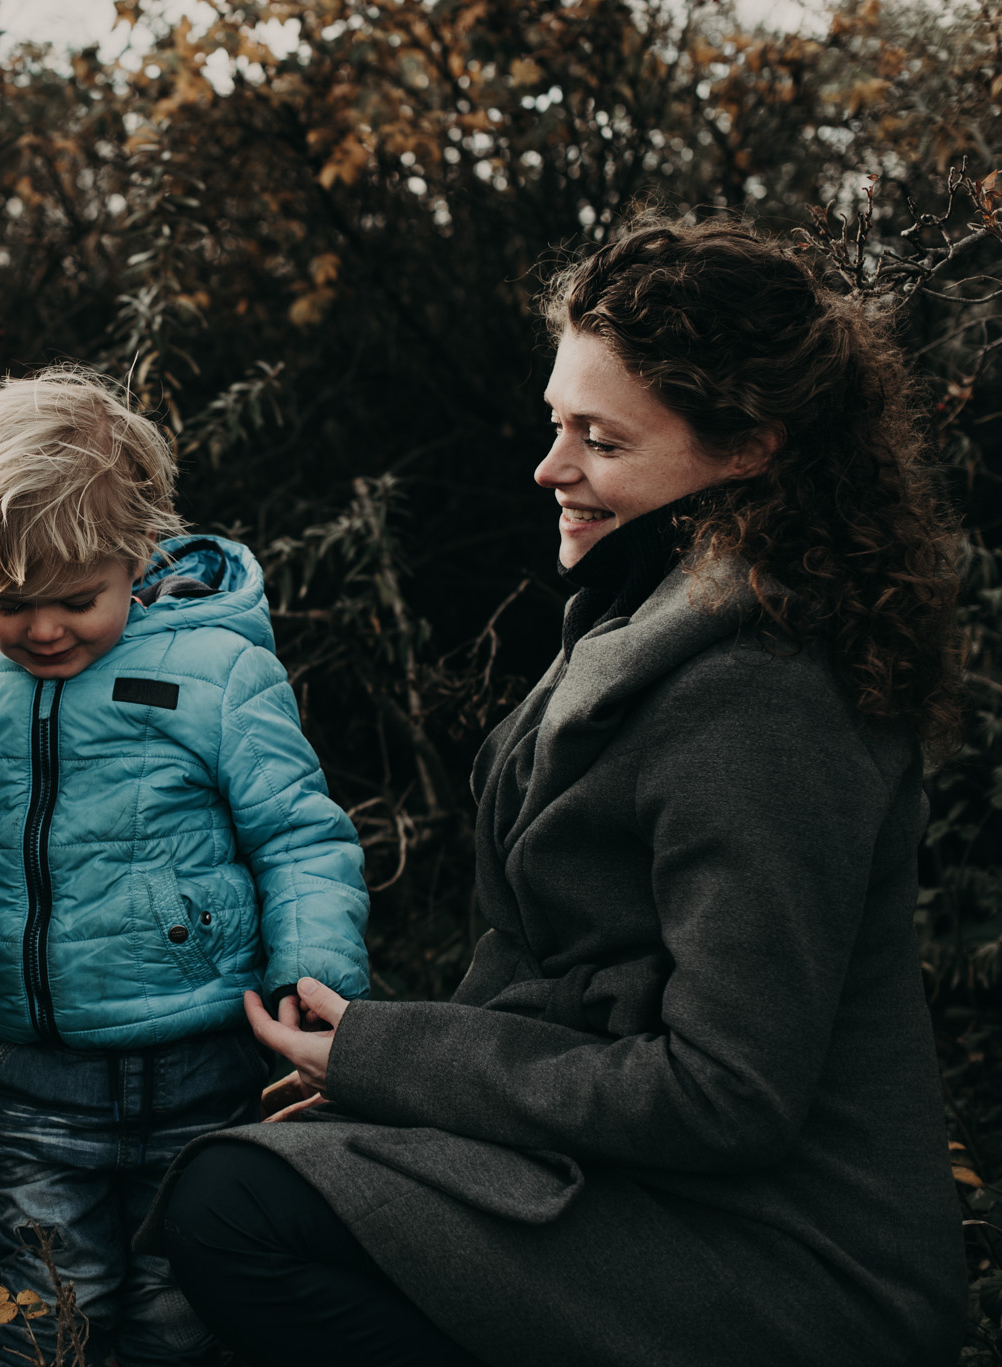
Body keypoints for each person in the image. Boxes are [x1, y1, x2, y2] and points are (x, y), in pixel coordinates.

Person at [149, 216, 969, 1366]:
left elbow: (724, 1093)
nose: (549, 467)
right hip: (646, 1190)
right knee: (251, 1184)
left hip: (793, 1268)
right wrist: (396, 1089)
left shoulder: (763, 702)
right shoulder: (655, 615)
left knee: (236, 1208)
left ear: (746, 450)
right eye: (554, 423)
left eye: (600, 438)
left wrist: (397, 1061)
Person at [0, 365, 372, 1367]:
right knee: (41, 1305)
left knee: (177, 1306)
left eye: (76, 598)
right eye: (8, 599)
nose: (42, 627)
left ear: (136, 552)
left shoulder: (216, 673)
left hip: (203, 1056)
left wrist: (312, 979)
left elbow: (296, 834)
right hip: (29, 1073)